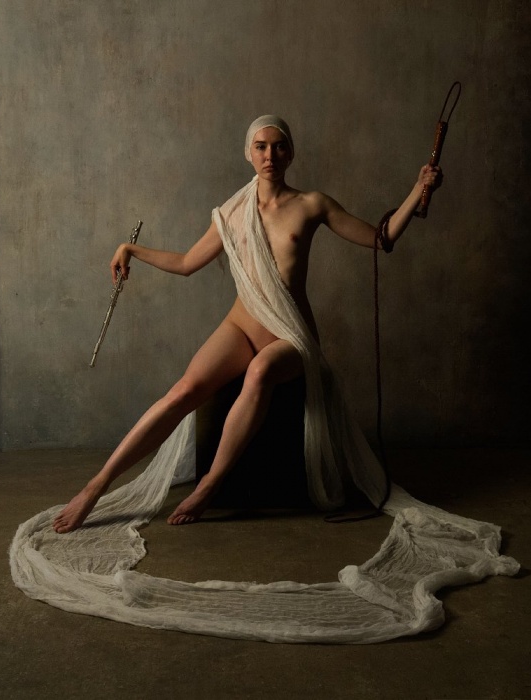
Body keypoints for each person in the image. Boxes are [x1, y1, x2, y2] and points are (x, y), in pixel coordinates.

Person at [53, 115, 442, 533]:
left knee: (259, 372)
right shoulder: (232, 212)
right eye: (261, 146)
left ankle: (211, 483)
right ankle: (96, 486)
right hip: (241, 327)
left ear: (290, 153)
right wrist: (131, 249)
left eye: (278, 146)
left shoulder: (312, 204)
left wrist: (418, 189)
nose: (270, 155)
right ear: (248, 154)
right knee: (183, 392)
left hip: (290, 337)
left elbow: (382, 238)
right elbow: (187, 263)